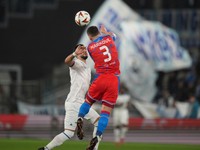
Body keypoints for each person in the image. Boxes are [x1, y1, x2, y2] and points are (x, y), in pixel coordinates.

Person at [38, 44, 100, 150]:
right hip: (76, 102)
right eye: (81, 49)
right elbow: (67, 61)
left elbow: (86, 86)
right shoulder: (77, 64)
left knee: (68, 133)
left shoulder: (88, 68)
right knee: (98, 120)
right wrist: (74, 54)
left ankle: (45, 149)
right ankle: (94, 148)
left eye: (85, 49)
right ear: (77, 53)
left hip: (72, 102)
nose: (84, 50)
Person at [76, 25, 120, 150]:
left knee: (88, 102)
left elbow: (97, 44)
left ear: (89, 36)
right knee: (105, 113)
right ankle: (98, 136)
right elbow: (113, 36)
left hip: (100, 78)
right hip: (113, 79)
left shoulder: (90, 47)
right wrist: (105, 33)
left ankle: (79, 118)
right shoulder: (109, 38)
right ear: (99, 32)